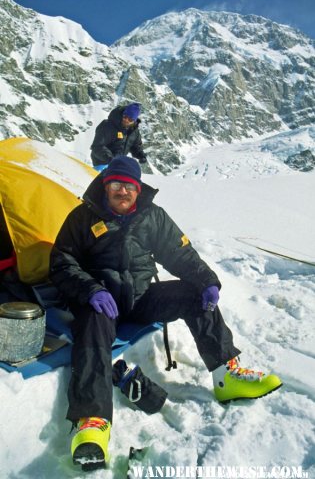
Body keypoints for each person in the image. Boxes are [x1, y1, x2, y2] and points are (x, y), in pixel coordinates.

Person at [49, 156, 282, 469]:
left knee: (193, 294)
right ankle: (92, 421)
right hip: (101, 304)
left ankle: (227, 373)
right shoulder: (82, 217)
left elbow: (180, 254)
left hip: (142, 298)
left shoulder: (152, 216)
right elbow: (61, 262)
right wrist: (91, 290)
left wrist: (207, 281)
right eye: (115, 184)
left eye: (128, 186)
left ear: (137, 188)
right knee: (90, 327)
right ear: (106, 186)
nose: (122, 191)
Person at [90, 103, 147, 171]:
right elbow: (97, 146)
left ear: (134, 121)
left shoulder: (134, 132)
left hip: (116, 164)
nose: (126, 120)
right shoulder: (107, 126)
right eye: (125, 116)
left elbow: (136, 146)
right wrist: (111, 159)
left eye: (130, 119)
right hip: (101, 163)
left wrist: (141, 155)